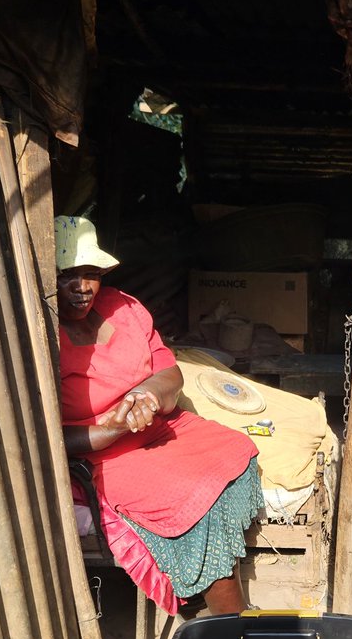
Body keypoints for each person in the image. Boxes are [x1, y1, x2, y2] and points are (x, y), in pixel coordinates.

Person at [55, 214, 263, 615]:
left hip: (161, 429)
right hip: (103, 456)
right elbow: (43, 436)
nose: (82, 288)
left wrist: (147, 394)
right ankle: (230, 620)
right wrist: (110, 430)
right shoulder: (40, 335)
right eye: (67, 276)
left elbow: (170, 371)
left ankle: (215, 599)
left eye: (91, 274)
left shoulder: (123, 307)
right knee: (192, 498)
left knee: (235, 451)